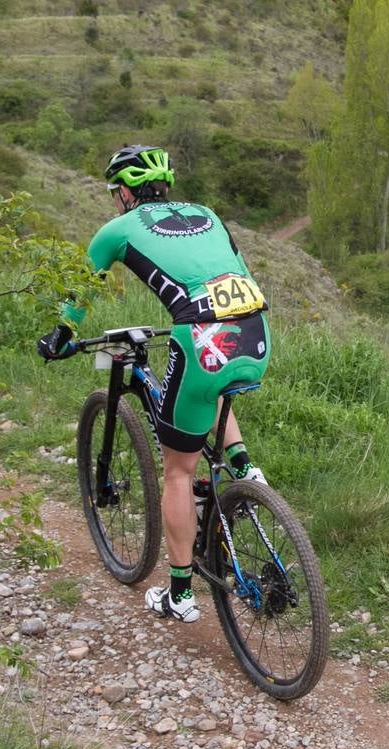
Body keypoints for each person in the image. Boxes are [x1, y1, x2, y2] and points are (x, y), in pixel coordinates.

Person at [38, 145, 270, 625]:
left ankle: (181, 595)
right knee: (214, 391)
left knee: (178, 472)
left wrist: (60, 338)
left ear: (124, 191)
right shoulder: (206, 213)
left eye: (114, 192)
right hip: (256, 331)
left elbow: (81, 290)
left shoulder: (118, 230)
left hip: (201, 337)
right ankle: (246, 471)